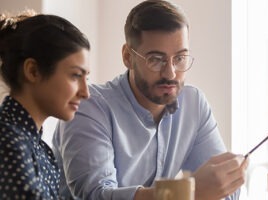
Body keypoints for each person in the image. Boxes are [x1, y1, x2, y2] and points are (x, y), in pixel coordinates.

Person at [52, 0, 248, 199]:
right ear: (128, 57)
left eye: (179, 58)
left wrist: (226, 180)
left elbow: (226, 193)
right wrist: (188, 193)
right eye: (156, 59)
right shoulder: (89, 106)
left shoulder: (194, 104)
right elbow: (96, 196)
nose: (170, 73)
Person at [0, 11, 90, 199]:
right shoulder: (8, 143)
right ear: (33, 71)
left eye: (86, 78)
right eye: (75, 75)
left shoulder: (38, 148)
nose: (85, 93)